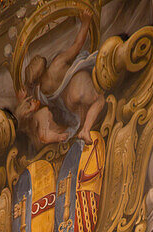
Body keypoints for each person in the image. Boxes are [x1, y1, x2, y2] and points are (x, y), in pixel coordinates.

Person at [23, 12, 105, 143]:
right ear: (36, 77)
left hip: (70, 104)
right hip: (78, 85)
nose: (35, 59)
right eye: (33, 64)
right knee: (99, 100)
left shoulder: (42, 93)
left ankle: (85, 128)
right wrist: (85, 22)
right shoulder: (56, 64)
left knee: (86, 112)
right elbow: (78, 45)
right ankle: (85, 130)